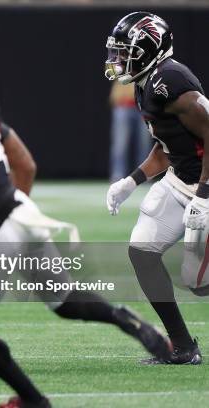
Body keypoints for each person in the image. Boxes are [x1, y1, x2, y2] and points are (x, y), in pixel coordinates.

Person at [0, 26, 171, 408]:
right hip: (25, 213)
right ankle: (128, 321)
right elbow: (26, 164)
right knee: (64, 300)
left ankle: (32, 400)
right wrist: (14, 211)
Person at [105, 11, 209, 365]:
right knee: (142, 252)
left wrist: (205, 195)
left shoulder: (172, 81)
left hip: (204, 186)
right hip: (181, 180)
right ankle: (182, 347)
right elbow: (169, 146)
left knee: (197, 281)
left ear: (148, 49)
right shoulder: (146, 81)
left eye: (125, 51)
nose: (117, 60)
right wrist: (131, 181)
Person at [109, 81, 152, 181]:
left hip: (143, 107)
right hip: (124, 105)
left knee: (144, 144)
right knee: (120, 144)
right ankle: (118, 175)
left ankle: (143, 175)